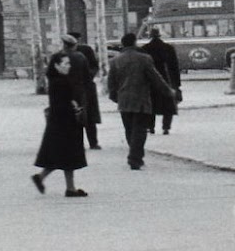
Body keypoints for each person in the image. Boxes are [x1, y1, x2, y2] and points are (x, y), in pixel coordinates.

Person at [105, 32, 172, 171]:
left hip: (123, 100)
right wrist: (167, 91)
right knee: (140, 130)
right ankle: (135, 158)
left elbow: (111, 82)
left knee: (129, 129)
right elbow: (155, 77)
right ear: (135, 42)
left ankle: (135, 155)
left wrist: (115, 97)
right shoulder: (144, 58)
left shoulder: (115, 61)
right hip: (141, 99)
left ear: (123, 44)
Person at [31, 50, 88, 197]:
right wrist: (74, 106)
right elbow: (63, 103)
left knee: (60, 156)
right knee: (67, 156)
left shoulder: (55, 80)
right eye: (66, 63)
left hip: (58, 123)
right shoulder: (62, 82)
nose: (69, 66)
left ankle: (46, 179)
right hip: (66, 123)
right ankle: (69, 188)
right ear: (56, 65)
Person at [142, 27, 182, 135]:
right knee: (168, 105)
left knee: (151, 105)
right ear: (160, 35)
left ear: (150, 36)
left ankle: (151, 127)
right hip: (167, 79)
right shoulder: (168, 48)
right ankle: (166, 127)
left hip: (151, 81)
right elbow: (175, 67)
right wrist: (177, 84)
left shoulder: (145, 48)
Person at [67, 31, 102, 150]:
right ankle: (80, 143)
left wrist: (87, 77)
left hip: (85, 87)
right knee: (76, 116)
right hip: (74, 87)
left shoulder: (86, 50)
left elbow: (94, 66)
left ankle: (93, 142)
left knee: (89, 116)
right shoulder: (64, 54)